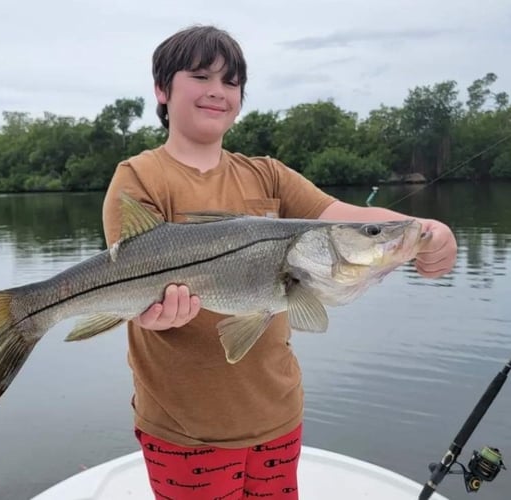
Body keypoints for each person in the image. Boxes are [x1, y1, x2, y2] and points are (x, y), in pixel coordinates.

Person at [102, 25, 457, 500]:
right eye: (201, 76)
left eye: (231, 82)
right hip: (183, 428)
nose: (217, 91)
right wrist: (147, 309)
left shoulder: (268, 175)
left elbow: (345, 219)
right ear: (162, 89)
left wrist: (425, 229)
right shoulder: (139, 177)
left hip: (277, 415)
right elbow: (126, 281)